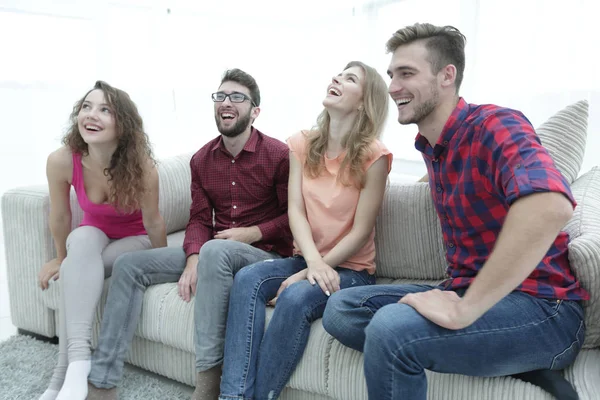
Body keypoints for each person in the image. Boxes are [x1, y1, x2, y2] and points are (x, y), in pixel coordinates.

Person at [322, 23, 588, 400]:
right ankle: (509, 358)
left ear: (447, 76)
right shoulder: (432, 147)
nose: (393, 86)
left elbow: (550, 205)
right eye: (392, 75)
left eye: (407, 73)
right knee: (342, 309)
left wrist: (465, 310)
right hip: (466, 289)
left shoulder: (495, 124)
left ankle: (518, 351)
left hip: (543, 308)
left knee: (391, 329)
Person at [85, 69, 293, 400]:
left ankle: (208, 379)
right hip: (214, 251)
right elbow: (198, 217)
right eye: (221, 96)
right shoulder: (202, 159)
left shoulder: (279, 155)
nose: (227, 102)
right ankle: (102, 381)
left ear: (255, 111)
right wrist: (194, 256)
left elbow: (293, 219)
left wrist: (251, 233)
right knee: (128, 265)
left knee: (215, 251)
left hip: (264, 254)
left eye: (237, 97)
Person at [218, 61, 392, 400]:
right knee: (247, 279)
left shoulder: (376, 156)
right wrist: (311, 264)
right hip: (308, 259)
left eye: (350, 78)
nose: (336, 78)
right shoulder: (302, 143)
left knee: (296, 296)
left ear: (364, 101)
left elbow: (361, 230)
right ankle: (233, 395)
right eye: (338, 73)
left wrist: (313, 271)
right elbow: (295, 210)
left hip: (351, 271)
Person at [37, 81, 167, 400]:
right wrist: (59, 256)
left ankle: (61, 377)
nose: (91, 115)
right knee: (79, 241)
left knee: (73, 270)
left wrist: (164, 261)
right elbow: (61, 217)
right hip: (93, 238)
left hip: (136, 240)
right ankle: (79, 362)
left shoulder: (143, 169)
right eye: (87, 107)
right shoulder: (62, 160)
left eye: (105, 109)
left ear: (122, 124)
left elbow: (152, 221)